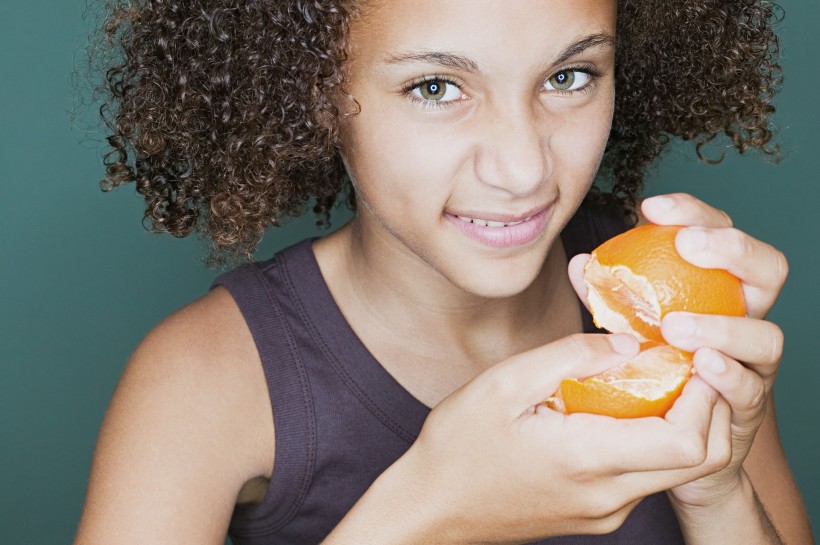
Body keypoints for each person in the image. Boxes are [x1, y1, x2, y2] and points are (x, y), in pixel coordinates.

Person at [74, 0, 814, 543]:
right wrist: (428, 510)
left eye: (570, 75)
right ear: (314, 95)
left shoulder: (670, 306)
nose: (523, 168)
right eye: (436, 87)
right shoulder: (203, 378)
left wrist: (715, 486)